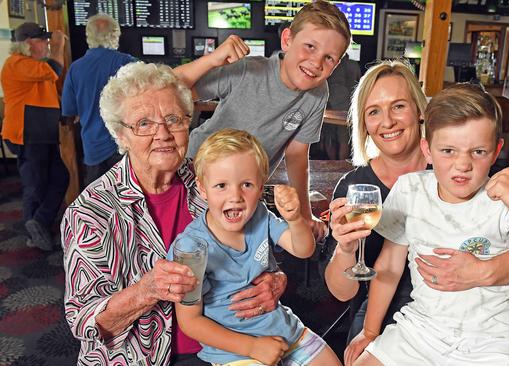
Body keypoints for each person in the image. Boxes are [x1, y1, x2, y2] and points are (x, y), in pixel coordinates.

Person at [61, 62, 288, 366]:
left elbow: (260, 246)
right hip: (141, 356)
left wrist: (277, 278)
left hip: (234, 342)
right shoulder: (92, 212)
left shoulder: (211, 182)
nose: (163, 134)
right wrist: (148, 289)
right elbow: (84, 321)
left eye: (173, 119)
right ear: (121, 135)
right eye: (144, 123)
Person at [352, 83, 509, 366]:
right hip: (421, 330)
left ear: (496, 150)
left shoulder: (505, 201)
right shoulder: (409, 189)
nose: (462, 164)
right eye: (448, 150)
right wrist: (369, 331)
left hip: (491, 342)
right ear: (427, 150)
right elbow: (389, 264)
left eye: (478, 152)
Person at [324, 60, 509, 365]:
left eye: (398, 106)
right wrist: (345, 249)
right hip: (387, 306)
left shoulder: (463, 167)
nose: (387, 122)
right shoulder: (357, 186)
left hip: (472, 311)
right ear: (364, 125)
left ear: (420, 110)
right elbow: (343, 291)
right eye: (374, 112)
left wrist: (481, 271)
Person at [173, 0, 352, 242]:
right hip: (195, 175)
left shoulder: (318, 93)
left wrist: (306, 214)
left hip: (244, 191)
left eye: (329, 58)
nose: (316, 62)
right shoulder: (249, 70)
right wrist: (213, 59)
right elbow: (171, 89)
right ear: (287, 39)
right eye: (310, 46)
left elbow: (297, 156)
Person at [171, 129, 341, 366]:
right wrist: (252, 347)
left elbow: (303, 250)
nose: (235, 196)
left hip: (285, 331)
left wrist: (294, 220)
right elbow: (190, 321)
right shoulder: (190, 248)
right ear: (202, 188)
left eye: (247, 185)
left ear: (261, 187)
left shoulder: (261, 215)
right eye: (221, 185)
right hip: (236, 351)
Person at [1, 22, 69, 251]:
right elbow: (54, 70)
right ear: (28, 44)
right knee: (35, 183)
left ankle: (39, 222)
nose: (47, 44)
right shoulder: (17, 64)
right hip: (26, 134)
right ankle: (35, 233)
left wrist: (65, 114)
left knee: (59, 177)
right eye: (43, 40)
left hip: (41, 132)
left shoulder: (32, 66)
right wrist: (59, 47)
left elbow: (47, 97)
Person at [61, 13, 135, 187]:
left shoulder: (75, 69)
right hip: (122, 143)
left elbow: (69, 112)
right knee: (127, 195)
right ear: (115, 35)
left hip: (92, 146)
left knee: (95, 200)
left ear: (89, 36)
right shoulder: (127, 63)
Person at [320, 53, 361, 159]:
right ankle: (342, 167)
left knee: (330, 139)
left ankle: (332, 163)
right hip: (349, 105)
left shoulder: (331, 64)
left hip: (331, 105)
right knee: (344, 140)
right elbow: (359, 82)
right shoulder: (354, 64)